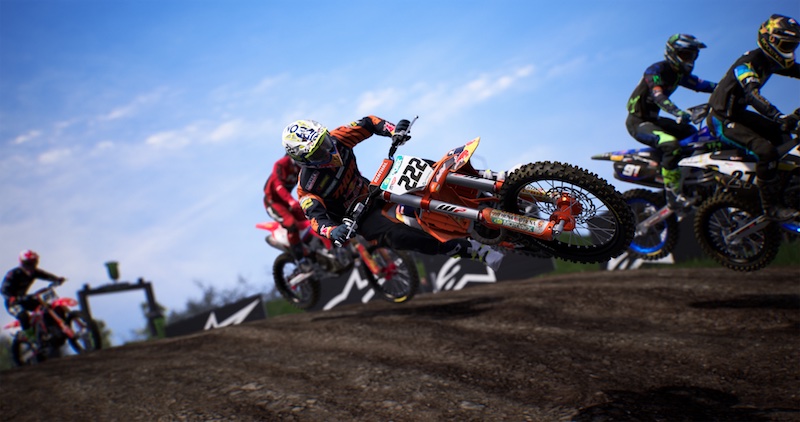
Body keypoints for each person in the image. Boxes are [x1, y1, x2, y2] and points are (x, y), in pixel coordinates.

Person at [280, 116, 504, 271]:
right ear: (304, 160)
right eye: (319, 152)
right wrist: (333, 230)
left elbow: (368, 122)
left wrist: (393, 130)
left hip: (374, 190)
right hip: (360, 219)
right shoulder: (307, 187)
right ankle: (472, 250)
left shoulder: (339, 138)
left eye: (325, 142)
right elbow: (315, 219)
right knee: (399, 237)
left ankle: (492, 180)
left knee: (419, 169)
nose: (329, 151)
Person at [707, 14, 800, 221]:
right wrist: (778, 115)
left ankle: (784, 187)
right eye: (786, 45)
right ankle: (771, 207)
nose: (790, 51)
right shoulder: (747, 63)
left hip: (738, 114)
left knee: (783, 135)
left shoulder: (771, 61)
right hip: (721, 119)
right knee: (765, 150)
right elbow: (752, 94)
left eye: (793, 46)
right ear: (770, 40)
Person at [626, 33, 718, 209]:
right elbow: (658, 95)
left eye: (692, 56)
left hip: (655, 121)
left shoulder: (679, 75)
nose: (689, 60)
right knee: (670, 144)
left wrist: (730, 86)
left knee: (695, 135)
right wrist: (677, 112)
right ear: (672, 53)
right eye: (685, 55)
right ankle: (672, 192)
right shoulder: (655, 71)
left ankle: (690, 179)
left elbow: (704, 85)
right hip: (638, 122)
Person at [2, 250, 65, 341]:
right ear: (22, 262)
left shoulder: (34, 272)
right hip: (12, 303)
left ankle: (50, 329)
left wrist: (57, 279)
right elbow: (3, 289)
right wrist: (10, 297)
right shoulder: (13, 274)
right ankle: (31, 338)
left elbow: (46, 275)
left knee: (45, 307)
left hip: (24, 299)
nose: (31, 265)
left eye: (33, 262)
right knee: (23, 316)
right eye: (29, 263)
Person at [263, 153, 315, 261]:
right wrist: (290, 201)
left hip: (286, 201)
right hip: (273, 202)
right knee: (291, 224)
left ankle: (314, 247)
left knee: (310, 217)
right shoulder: (281, 164)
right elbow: (278, 186)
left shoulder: (301, 167)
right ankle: (300, 259)